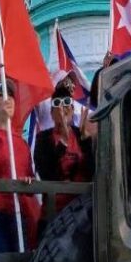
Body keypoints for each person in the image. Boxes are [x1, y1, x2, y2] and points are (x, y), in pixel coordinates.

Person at [0, 78, 40, 252]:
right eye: (1, 95)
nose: (8, 98)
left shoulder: (21, 143)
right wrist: (2, 126)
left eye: (11, 94)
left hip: (20, 214)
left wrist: (28, 181)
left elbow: (30, 176)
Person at [34, 81, 95, 218]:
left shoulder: (81, 135)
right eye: (57, 104)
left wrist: (86, 142)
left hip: (83, 211)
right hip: (56, 213)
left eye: (67, 102)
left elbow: (93, 172)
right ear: (51, 113)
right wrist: (63, 145)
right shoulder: (43, 139)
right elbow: (47, 174)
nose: (62, 107)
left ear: (73, 110)